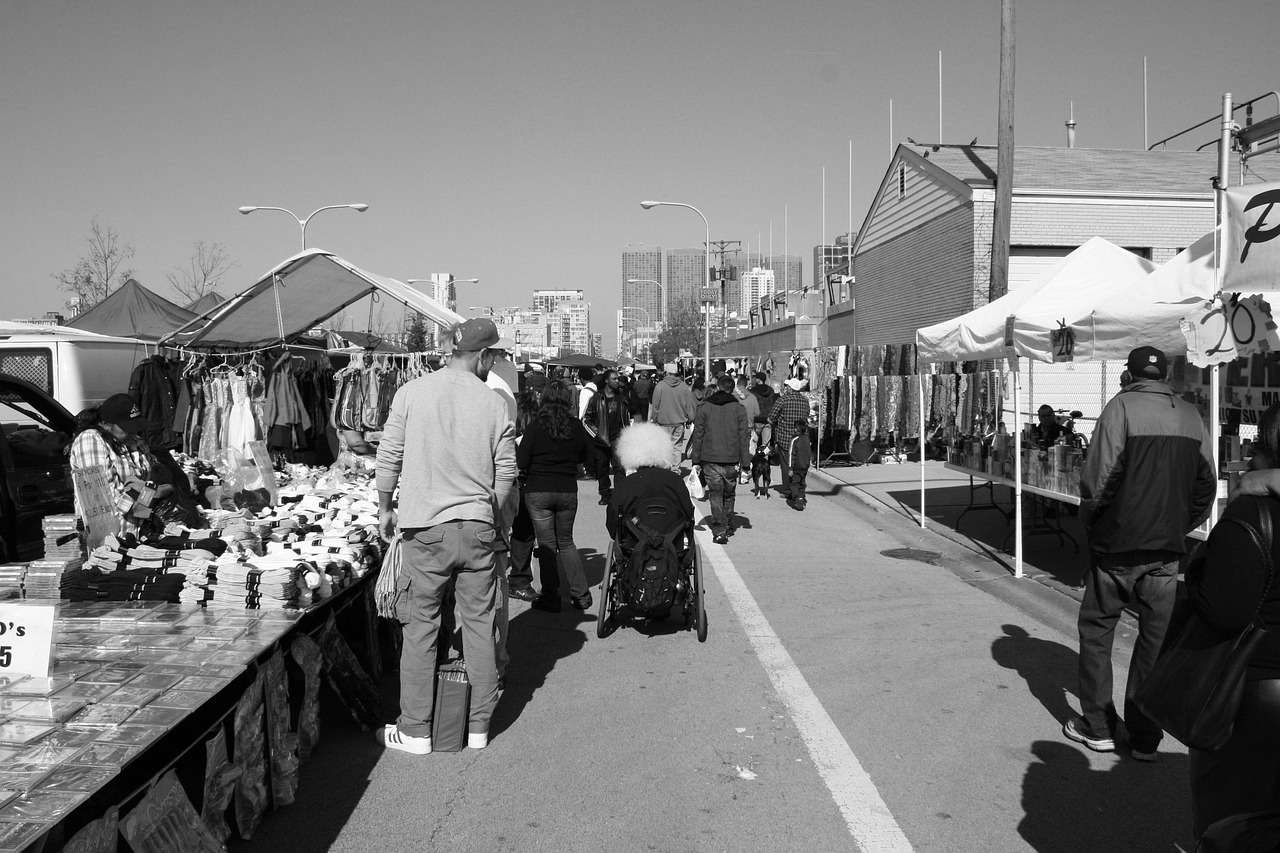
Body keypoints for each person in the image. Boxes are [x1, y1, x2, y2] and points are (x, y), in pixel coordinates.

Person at [1063, 345, 1216, 761]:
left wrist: (1093, 528)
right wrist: (1177, 526)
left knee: (1097, 632)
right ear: (1165, 376)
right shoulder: (1189, 415)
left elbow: (1097, 483)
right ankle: (1146, 737)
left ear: (1128, 375)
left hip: (1117, 548)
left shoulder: (1121, 408)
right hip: (1166, 550)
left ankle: (1098, 726)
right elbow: (1207, 485)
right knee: (1154, 641)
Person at [375, 318, 517, 755]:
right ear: (481, 356)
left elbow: (390, 453)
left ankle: (416, 730)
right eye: (493, 356)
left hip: (425, 529)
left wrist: (384, 506)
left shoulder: (412, 392)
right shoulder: (494, 402)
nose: (493, 364)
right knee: (479, 626)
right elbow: (507, 470)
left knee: (421, 629)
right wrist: (489, 514)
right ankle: (477, 727)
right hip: (477, 528)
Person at [1186, 402, 1280, 841]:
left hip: (1259, 690)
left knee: (1236, 821)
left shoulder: (1253, 513)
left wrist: (1200, 565)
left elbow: (1221, 609)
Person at [518, 380, 595, 612]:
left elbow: (521, 461)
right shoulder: (576, 427)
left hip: (538, 490)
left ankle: (551, 595)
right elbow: (587, 458)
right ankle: (581, 594)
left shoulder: (534, 427)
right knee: (567, 541)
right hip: (566, 490)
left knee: (547, 544)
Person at [69, 393, 175, 538]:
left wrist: (141, 490)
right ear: (106, 424)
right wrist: (148, 493)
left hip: (139, 533)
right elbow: (107, 497)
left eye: (136, 427)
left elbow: (158, 474)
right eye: (127, 428)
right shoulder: (91, 440)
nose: (133, 432)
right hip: (109, 536)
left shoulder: (136, 442)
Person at [606, 421, 696, 542]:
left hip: (634, 547)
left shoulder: (626, 484)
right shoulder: (676, 481)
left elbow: (612, 523)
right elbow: (689, 515)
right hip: (672, 546)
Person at [689, 374, 750, 544]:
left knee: (715, 494)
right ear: (732, 389)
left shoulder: (705, 407)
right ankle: (729, 525)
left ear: (718, 386)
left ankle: (719, 529)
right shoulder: (739, 409)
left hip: (710, 459)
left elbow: (698, 435)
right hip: (731, 459)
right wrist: (746, 463)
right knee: (729, 494)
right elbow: (744, 436)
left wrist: (696, 460)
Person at [506, 390, 542, 603]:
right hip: (519, 486)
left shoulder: (507, 429)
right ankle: (519, 580)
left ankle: (513, 579)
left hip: (506, 486)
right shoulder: (528, 432)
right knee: (523, 533)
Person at [584, 369, 631, 505]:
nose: (617, 381)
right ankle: (605, 494)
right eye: (614, 379)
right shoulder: (597, 398)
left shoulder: (621, 398)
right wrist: (597, 434)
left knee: (620, 468)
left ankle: (619, 495)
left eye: (618, 379)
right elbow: (587, 420)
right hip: (601, 441)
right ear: (606, 381)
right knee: (602, 469)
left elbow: (629, 416)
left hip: (618, 439)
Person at [768, 378, 812, 502]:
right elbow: (807, 415)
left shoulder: (783, 400)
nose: (786, 388)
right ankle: (799, 488)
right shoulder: (805, 401)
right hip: (801, 438)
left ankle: (788, 490)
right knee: (800, 463)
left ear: (790, 388)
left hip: (785, 437)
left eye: (787, 386)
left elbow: (771, 417)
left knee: (786, 465)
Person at [650, 362, 698, 470]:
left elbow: (655, 405)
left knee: (664, 447)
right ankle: (676, 469)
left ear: (666, 372)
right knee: (677, 447)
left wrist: (654, 418)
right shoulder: (684, 386)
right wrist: (690, 418)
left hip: (663, 422)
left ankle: (665, 468)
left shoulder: (660, 386)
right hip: (679, 422)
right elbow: (688, 405)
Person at [786, 418, 813, 511]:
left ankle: (798, 498)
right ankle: (802, 497)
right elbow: (809, 454)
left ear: (796, 429)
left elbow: (791, 455)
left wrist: (790, 468)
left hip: (796, 467)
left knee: (794, 484)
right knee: (802, 483)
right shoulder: (807, 440)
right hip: (804, 467)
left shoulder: (795, 440)